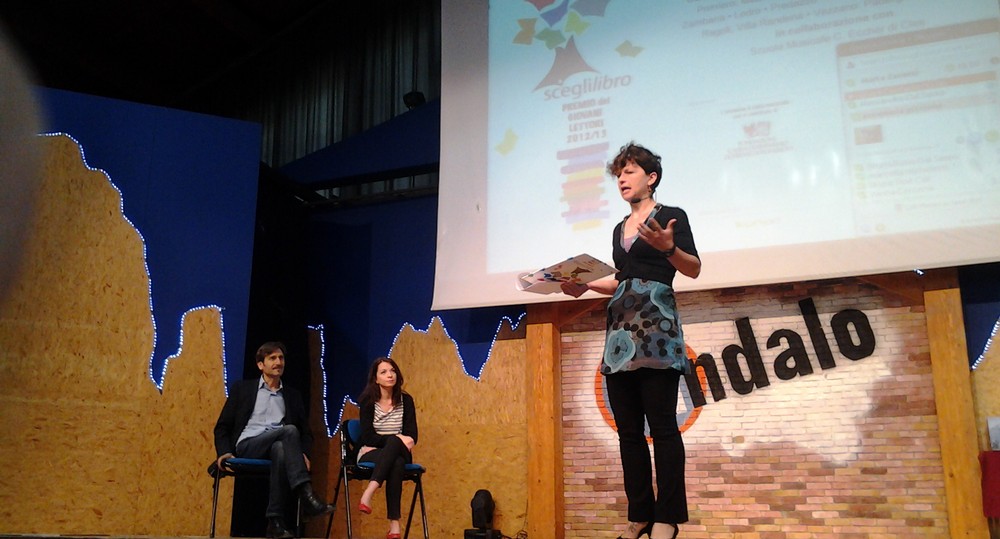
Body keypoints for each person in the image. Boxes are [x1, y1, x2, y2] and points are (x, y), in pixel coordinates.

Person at [562, 142, 701, 539]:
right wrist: (585, 285)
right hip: (620, 337)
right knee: (628, 433)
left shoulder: (672, 216)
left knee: (663, 428)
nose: (622, 179)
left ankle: (667, 517)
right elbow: (621, 280)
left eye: (629, 171)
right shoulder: (618, 228)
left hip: (656, 333)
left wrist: (669, 248)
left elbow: (693, 268)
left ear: (651, 177)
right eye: (618, 174)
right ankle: (640, 515)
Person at [213, 341, 334, 539]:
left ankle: (275, 522)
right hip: (248, 445)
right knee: (289, 431)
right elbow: (222, 426)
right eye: (272, 358)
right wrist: (224, 452)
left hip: (276, 448)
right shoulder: (243, 389)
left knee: (280, 448)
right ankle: (307, 496)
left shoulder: (292, 396)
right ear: (261, 365)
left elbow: (306, 433)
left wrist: (303, 454)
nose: (278, 362)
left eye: (281, 358)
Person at [355, 356, 418, 539]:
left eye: (392, 371)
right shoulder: (368, 402)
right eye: (384, 372)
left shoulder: (406, 401)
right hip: (370, 453)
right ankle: (394, 525)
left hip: (396, 451)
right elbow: (368, 437)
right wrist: (396, 439)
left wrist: (393, 441)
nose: (390, 375)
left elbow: (412, 437)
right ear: (376, 379)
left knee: (395, 446)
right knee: (396, 461)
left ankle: (369, 491)